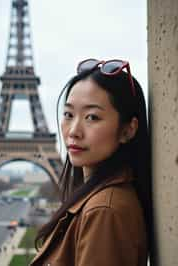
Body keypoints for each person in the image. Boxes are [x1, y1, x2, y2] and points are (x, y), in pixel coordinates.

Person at [30, 59, 153, 266]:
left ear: (128, 130)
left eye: (92, 117)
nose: (73, 131)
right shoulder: (100, 201)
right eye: (68, 114)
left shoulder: (104, 211)